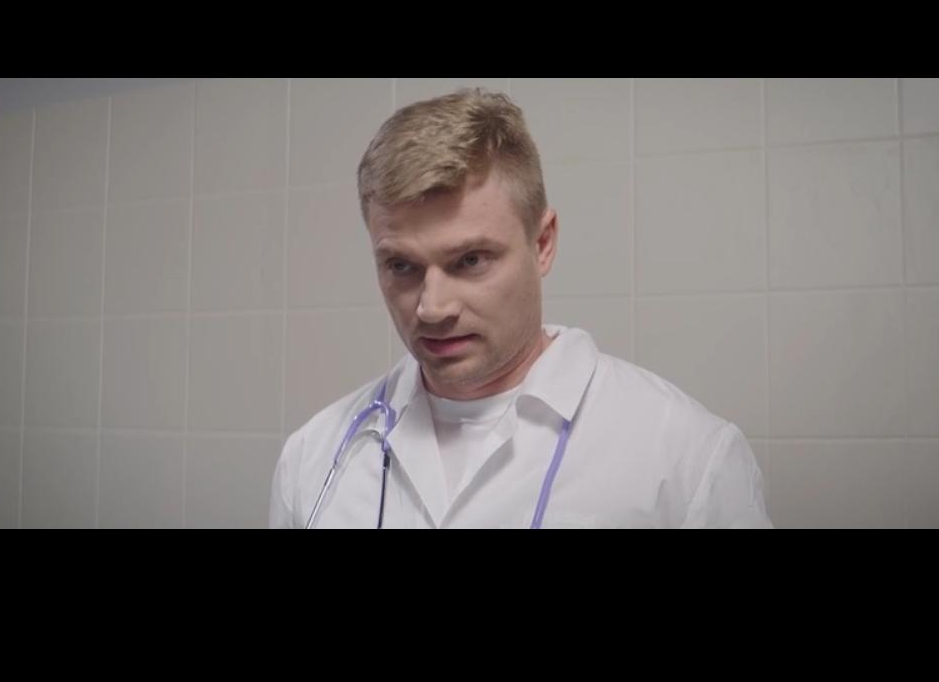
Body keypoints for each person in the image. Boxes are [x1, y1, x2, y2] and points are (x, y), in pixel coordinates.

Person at [269, 89, 773, 529]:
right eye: (401, 266)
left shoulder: (687, 457)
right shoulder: (315, 457)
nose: (432, 308)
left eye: (470, 260)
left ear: (543, 243)